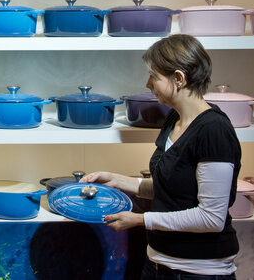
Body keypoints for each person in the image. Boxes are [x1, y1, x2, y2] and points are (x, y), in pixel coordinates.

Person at [80, 34, 241, 279]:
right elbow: (174, 188)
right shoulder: (174, 119)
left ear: (179, 78)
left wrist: (140, 220)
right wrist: (117, 180)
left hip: (197, 273)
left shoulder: (214, 130)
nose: (147, 83)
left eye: (154, 76)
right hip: (157, 264)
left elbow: (211, 218)